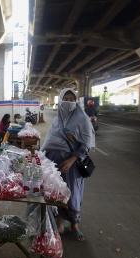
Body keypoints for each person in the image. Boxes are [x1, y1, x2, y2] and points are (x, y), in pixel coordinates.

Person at [40, 88, 95, 241]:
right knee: (57, 193)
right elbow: (49, 140)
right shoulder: (57, 120)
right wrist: (42, 158)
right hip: (54, 163)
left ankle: (74, 225)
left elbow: (86, 144)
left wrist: (71, 160)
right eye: (66, 98)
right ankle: (60, 222)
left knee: (73, 193)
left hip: (73, 164)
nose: (69, 102)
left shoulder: (82, 119)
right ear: (60, 100)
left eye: (72, 99)